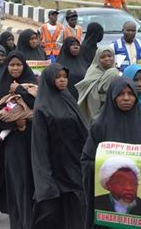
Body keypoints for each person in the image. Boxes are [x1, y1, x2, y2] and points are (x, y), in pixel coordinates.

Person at [81, 77, 141, 229]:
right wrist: (107, 165)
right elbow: (86, 161)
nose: (126, 98)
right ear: (112, 96)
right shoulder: (99, 126)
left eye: (130, 93)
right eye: (120, 94)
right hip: (106, 217)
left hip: (139, 220)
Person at [0, 51, 37, 229]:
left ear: (24, 66)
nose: (15, 68)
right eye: (11, 65)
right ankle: (20, 223)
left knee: (33, 184)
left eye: (18, 64)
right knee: (18, 184)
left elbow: (41, 106)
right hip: (12, 144)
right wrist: (13, 124)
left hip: (33, 142)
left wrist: (20, 90)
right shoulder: (1, 87)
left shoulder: (33, 84)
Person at [31, 63, 88, 229]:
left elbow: (82, 128)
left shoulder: (68, 98)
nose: (63, 80)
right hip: (56, 169)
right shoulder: (42, 107)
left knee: (78, 212)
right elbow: (40, 145)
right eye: (58, 77)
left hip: (75, 163)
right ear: (49, 79)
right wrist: (45, 179)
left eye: (64, 76)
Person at [76, 46, 119, 124]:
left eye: (109, 56)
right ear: (97, 59)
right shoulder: (93, 73)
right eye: (103, 57)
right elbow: (92, 97)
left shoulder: (115, 70)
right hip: (98, 113)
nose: (107, 59)